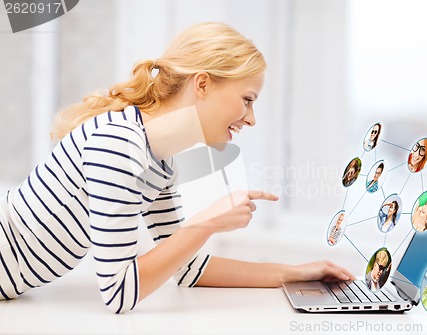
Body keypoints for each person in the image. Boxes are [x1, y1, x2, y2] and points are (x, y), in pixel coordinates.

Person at [0, 22, 355, 313]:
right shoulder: (120, 146)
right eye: (247, 100)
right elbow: (119, 293)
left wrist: (296, 273)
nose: (251, 119)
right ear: (202, 83)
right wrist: (208, 222)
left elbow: (186, 267)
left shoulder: (159, 159)